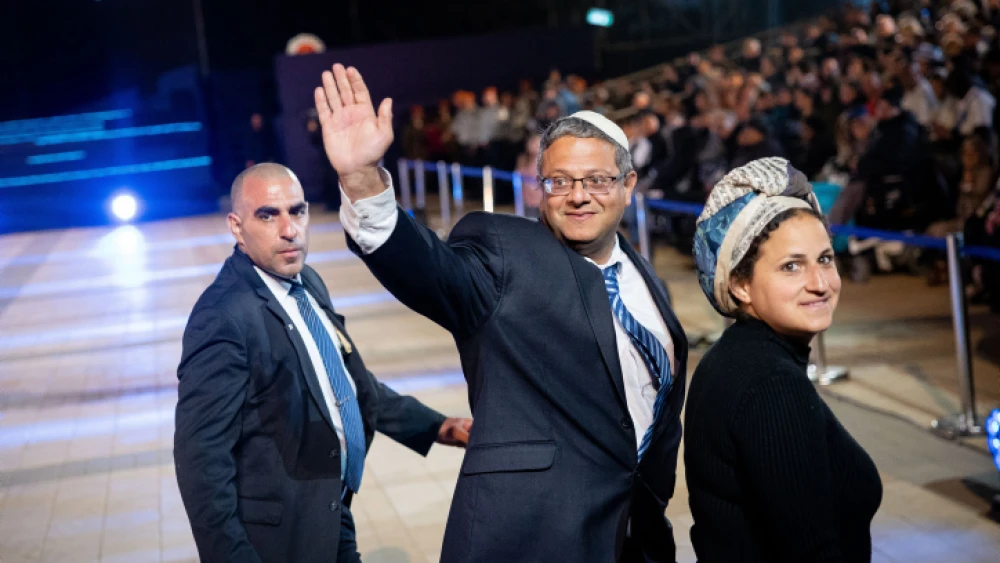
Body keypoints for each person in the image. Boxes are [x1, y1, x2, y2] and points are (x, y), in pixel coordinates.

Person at [314, 64, 688, 563]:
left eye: (597, 179)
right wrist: (361, 179)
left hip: (632, 537)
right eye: (560, 181)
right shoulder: (504, 254)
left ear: (628, 184)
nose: (579, 195)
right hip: (531, 539)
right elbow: (429, 270)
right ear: (538, 187)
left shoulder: (647, 281)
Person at [174, 163, 473, 563]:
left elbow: (347, 385)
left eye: (297, 211)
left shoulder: (307, 282)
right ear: (236, 226)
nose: (289, 229)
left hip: (330, 511)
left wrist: (435, 426)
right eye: (268, 215)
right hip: (280, 539)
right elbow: (201, 461)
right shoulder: (223, 316)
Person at [686, 158, 883, 562]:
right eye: (791, 266)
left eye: (825, 259)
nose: (820, 284)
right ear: (740, 284)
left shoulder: (731, 356)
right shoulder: (771, 384)